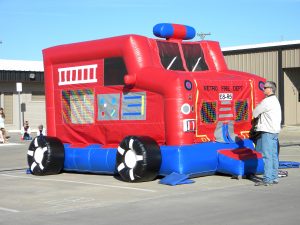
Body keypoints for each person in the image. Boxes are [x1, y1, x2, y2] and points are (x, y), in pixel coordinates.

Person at [253, 81, 282, 186]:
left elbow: (255, 112)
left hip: (268, 131)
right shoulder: (275, 100)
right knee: (274, 155)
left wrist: (257, 106)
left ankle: (267, 179)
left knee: (267, 156)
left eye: (265, 87)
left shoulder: (267, 101)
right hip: (274, 131)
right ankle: (274, 177)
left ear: (270, 89)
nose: (263, 89)